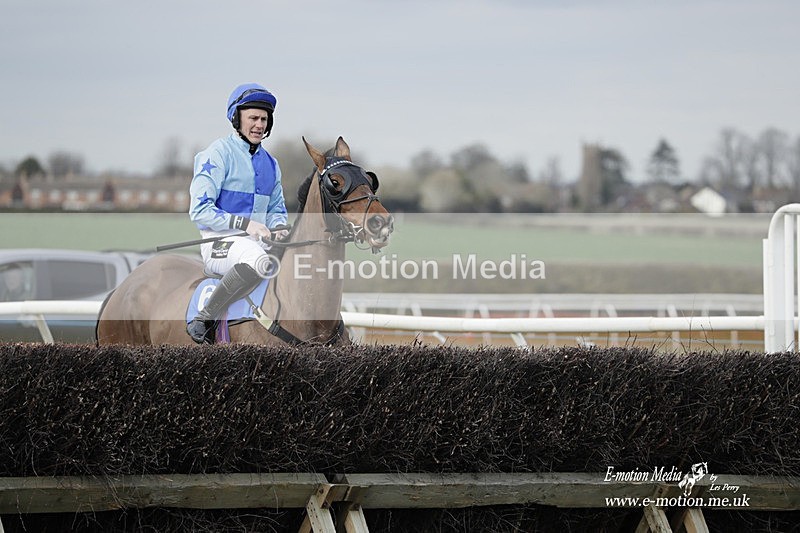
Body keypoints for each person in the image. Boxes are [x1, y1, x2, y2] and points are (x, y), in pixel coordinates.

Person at [186, 83, 289, 344]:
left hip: (256, 243)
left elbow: (277, 208)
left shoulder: (271, 164)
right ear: (237, 118)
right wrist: (246, 224)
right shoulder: (217, 154)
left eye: (264, 119)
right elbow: (199, 211)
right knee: (256, 258)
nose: (259, 125)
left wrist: (279, 227)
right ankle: (205, 318)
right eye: (253, 118)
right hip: (217, 242)